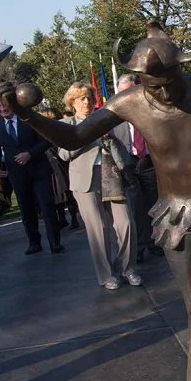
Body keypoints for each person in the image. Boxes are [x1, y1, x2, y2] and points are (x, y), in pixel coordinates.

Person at [0, 19, 191, 324]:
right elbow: (74, 137)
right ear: (140, 79)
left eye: (171, 82)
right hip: (177, 212)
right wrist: (27, 115)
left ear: (180, 69)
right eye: (154, 86)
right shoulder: (128, 103)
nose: (166, 93)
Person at [58, 81, 141, 290]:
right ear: (72, 102)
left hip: (111, 175)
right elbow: (63, 154)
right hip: (84, 181)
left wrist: (110, 139)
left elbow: (120, 144)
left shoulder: (103, 119)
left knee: (126, 224)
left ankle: (127, 268)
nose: (86, 101)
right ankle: (106, 275)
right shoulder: (66, 124)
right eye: (81, 98)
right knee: (99, 228)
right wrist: (85, 137)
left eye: (89, 98)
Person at [0, 98, 63, 254]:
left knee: (47, 207)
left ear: (11, 103)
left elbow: (47, 140)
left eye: (3, 104)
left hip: (39, 170)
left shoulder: (29, 120)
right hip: (17, 175)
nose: (2, 109)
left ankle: (55, 242)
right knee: (26, 210)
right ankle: (34, 243)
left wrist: (30, 154)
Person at [111, 73, 164, 263]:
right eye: (120, 93)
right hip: (129, 164)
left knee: (154, 204)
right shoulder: (115, 115)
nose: (123, 97)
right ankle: (140, 246)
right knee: (136, 207)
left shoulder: (149, 109)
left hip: (150, 163)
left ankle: (155, 242)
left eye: (127, 92)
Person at [40, 108, 80, 230]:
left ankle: (73, 218)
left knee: (66, 192)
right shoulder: (43, 131)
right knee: (56, 193)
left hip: (60, 165)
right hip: (50, 164)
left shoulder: (58, 129)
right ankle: (62, 219)